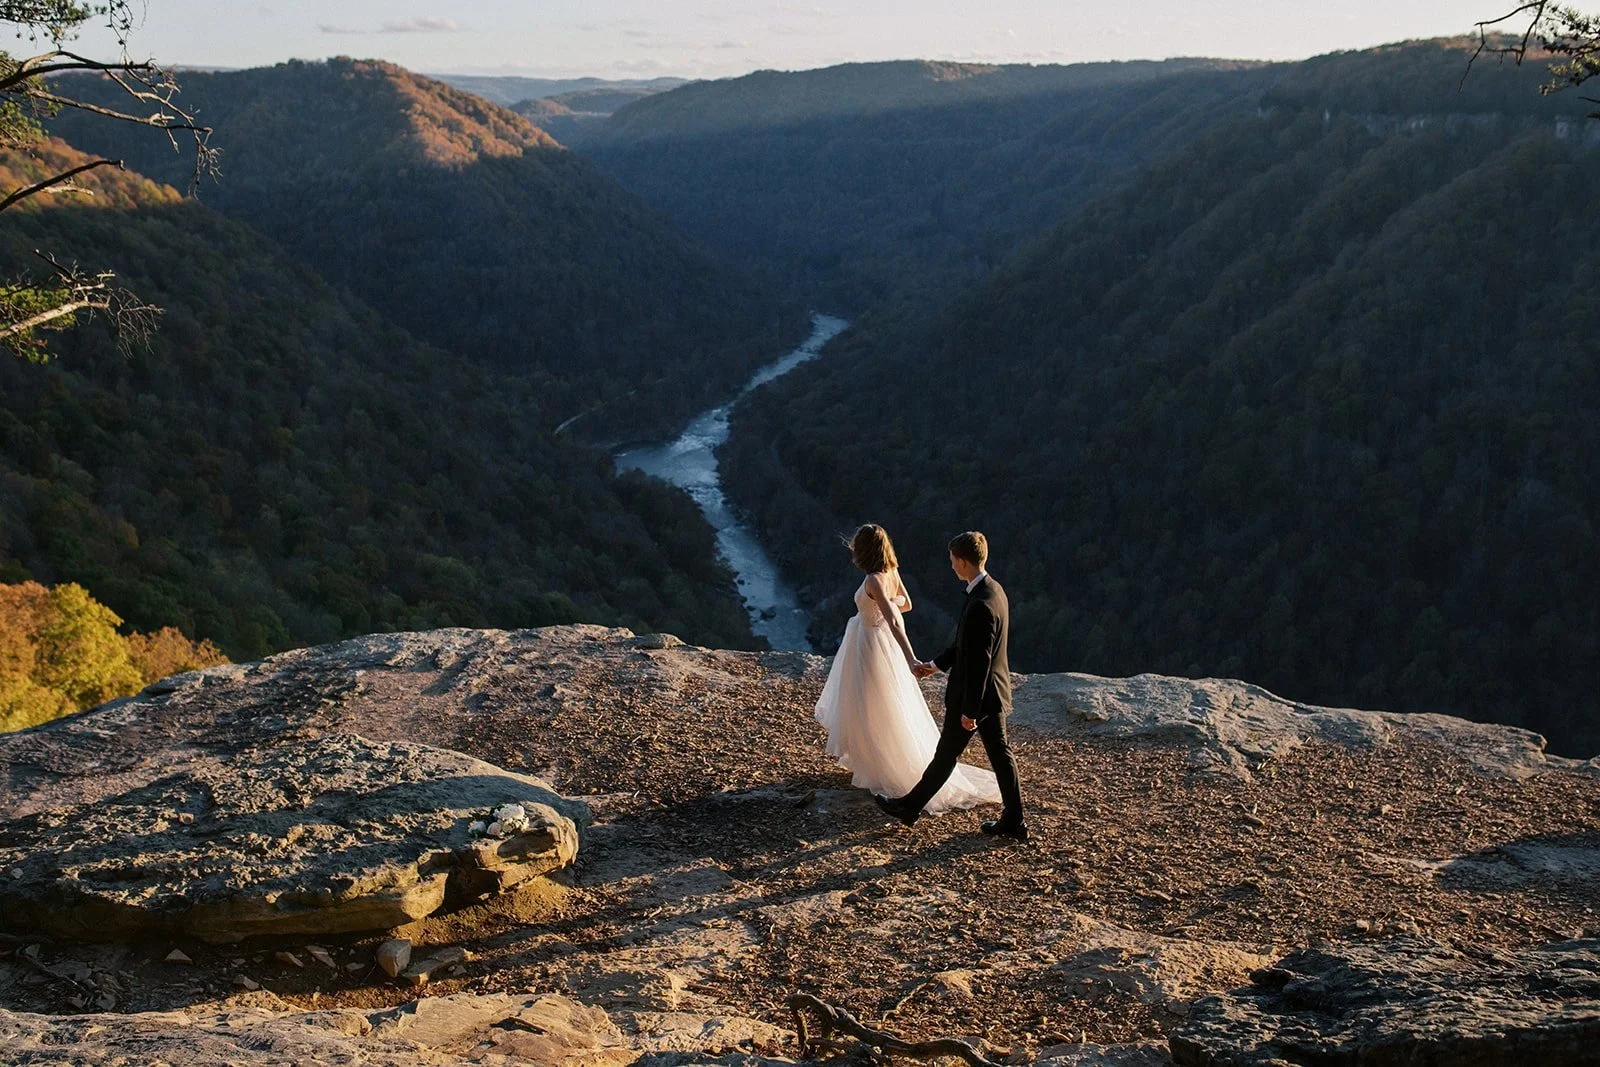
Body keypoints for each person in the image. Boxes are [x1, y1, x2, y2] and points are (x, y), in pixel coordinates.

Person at [813, 524, 1000, 814]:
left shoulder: (874, 579)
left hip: (870, 644)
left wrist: (911, 656)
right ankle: (874, 763)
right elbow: (907, 605)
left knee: (868, 704)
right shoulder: (891, 572)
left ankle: (881, 768)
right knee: (880, 703)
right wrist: (886, 609)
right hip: (875, 640)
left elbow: (895, 618)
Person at [876, 531, 1028, 841]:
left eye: (952, 560)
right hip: (993, 694)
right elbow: (965, 646)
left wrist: (969, 710)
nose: (950, 565)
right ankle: (1013, 820)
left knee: (948, 753)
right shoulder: (993, 591)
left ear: (962, 561)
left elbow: (978, 663)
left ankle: (910, 807)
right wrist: (934, 666)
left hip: (975, 699)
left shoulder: (980, 605)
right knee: (998, 756)